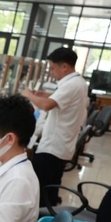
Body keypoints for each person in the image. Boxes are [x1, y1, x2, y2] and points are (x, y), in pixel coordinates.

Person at [21, 47, 88, 206]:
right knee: (50, 189)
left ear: (64, 66)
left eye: (52, 68)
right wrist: (45, 95)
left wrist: (28, 95)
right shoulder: (78, 82)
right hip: (61, 146)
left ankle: (40, 217)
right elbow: (60, 100)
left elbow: (46, 106)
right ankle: (48, 214)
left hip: (53, 147)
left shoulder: (71, 85)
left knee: (41, 190)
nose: (51, 72)